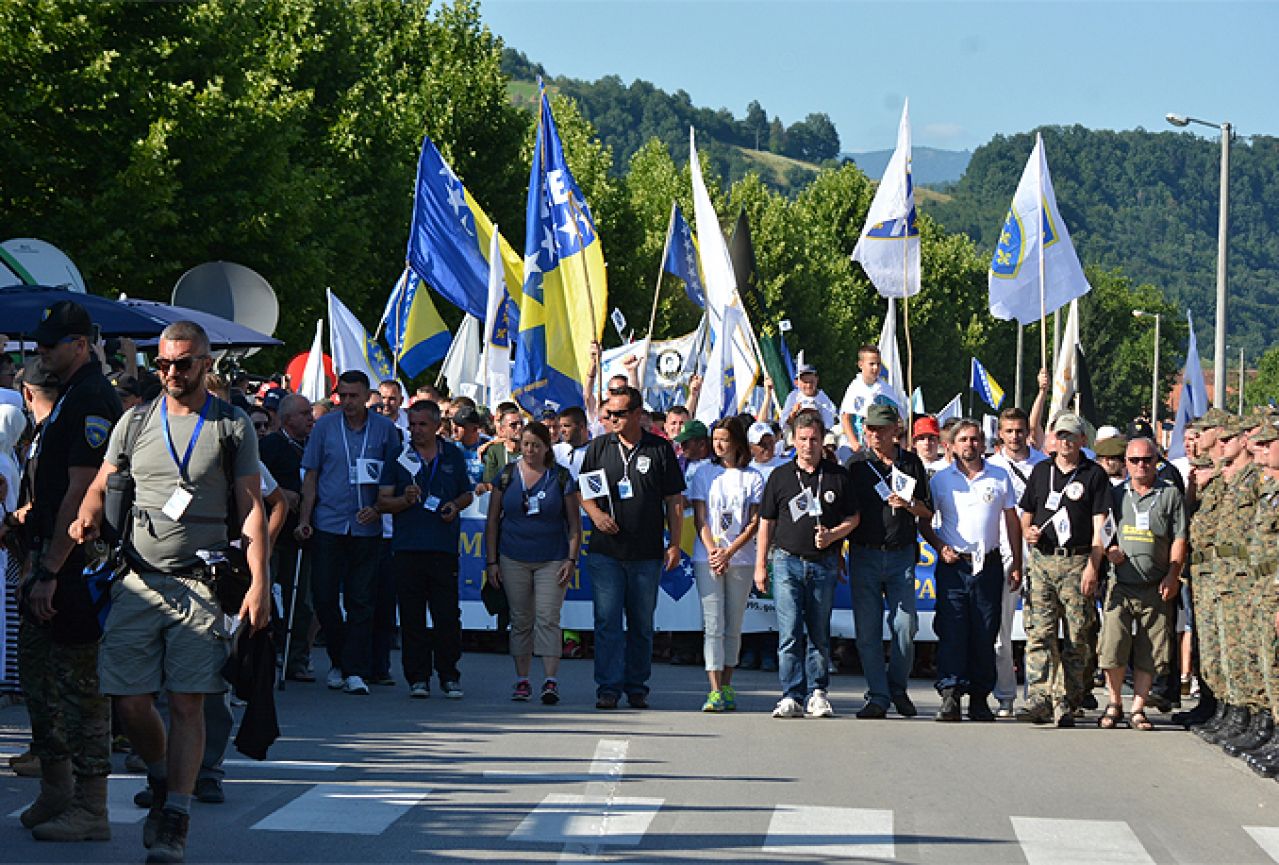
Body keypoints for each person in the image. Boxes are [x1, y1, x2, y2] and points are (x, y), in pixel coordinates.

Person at [72, 320, 271, 863]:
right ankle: (162, 780)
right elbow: (98, 484)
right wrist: (87, 517)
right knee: (131, 703)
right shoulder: (135, 422)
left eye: (184, 363)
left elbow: (252, 506)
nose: (172, 373)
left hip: (201, 585)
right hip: (136, 581)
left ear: (206, 363)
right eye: (163, 364)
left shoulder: (230, 426)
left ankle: (176, 817)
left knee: (188, 703)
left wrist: (259, 582)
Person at [14, 302, 122, 843]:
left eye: (51, 344)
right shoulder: (67, 399)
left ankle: (91, 804)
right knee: (39, 679)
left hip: (74, 566)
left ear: (80, 345)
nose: (42, 352)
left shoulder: (92, 398)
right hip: (44, 559)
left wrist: (52, 568)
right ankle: (56, 787)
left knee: (79, 688)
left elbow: (82, 492)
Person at [577, 386, 684, 710]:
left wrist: (675, 544)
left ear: (638, 414)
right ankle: (608, 687)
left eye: (620, 413)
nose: (613, 419)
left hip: (646, 553)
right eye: (609, 414)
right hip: (606, 552)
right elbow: (585, 491)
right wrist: (596, 515)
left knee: (641, 623)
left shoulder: (659, 449)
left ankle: (637, 685)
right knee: (607, 621)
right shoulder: (599, 447)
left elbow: (674, 501)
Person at [295, 370, 401, 695]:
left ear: (368, 396)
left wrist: (381, 508)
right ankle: (339, 659)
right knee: (325, 596)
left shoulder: (385, 430)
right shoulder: (325, 426)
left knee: (362, 599)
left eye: (355, 396)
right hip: (329, 522)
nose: (348, 402)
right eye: (343, 395)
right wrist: (304, 517)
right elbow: (311, 476)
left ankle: (354, 668)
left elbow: (395, 475)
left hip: (367, 526)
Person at [755, 410, 859, 719]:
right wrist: (761, 565)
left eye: (814, 439)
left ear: (822, 439)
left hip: (823, 563)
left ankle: (817, 692)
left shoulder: (837, 475)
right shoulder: (780, 476)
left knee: (818, 631)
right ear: (793, 441)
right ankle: (791, 694)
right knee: (789, 631)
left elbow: (853, 517)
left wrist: (833, 537)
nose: (808, 445)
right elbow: (766, 523)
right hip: (787, 561)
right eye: (803, 439)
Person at [920, 419, 1022, 721]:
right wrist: (940, 547)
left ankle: (980, 697)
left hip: (988, 564)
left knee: (984, 631)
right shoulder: (940, 480)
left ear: (985, 443)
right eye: (963, 439)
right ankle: (950, 695)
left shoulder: (999, 476)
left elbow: (1011, 520)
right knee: (952, 630)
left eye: (975, 439)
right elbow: (925, 521)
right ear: (951, 445)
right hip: (954, 565)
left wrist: (1015, 560)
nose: (970, 445)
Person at [1017, 411, 1111, 727]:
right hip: (1043, 561)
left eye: (1072, 436)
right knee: (1039, 632)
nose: (1066, 441)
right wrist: (1028, 532)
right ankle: (1040, 697)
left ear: (1083, 440)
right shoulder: (1042, 471)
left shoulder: (1093, 475)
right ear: (1053, 439)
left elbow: (1102, 527)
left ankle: (1069, 699)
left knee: (1077, 635)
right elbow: (1026, 513)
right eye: (1061, 435)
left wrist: (1093, 567)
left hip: (1077, 561)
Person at [376, 400, 473, 699]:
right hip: (408, 547)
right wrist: (404, 500)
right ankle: (418, 676)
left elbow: (466, 493)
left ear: (436, 426)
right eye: (412, 425)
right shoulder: (398, 456)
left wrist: (454, 506)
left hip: (442, 547)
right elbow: (382, 502)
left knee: (446, 615)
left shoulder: (452, 454)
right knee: (412, 615)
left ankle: (448, 674)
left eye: (422, 425)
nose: (416, 431)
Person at [844, 402, 933, 719]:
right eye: (869, 428)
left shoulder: (911, 464)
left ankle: (897, 687)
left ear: (896, 430)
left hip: (901, 555)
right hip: (865, 553)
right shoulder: (855, 466)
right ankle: (878, 696)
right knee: (867, 631)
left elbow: (927, 510)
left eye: (880, 428)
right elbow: (845, 513)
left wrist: (909, 504)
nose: (874, 434)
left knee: (905, 628)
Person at [484, 420, 581, 704]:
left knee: (548, 618)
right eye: (525, 444)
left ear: (546, 447)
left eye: (536, 445)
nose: (529, 450)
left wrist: (571, 559)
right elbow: (492, 521)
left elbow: (574, 524)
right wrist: (492, 562)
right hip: (513, 556)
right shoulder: (506, 475)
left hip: (552, 557)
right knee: (521, 619)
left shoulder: (560, 477)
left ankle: (550, 681)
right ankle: (522, 679)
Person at [1097, 437, 1187, 731]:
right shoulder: (1115, 494)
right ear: (1125, 462)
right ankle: (1114, 703)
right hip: (1120, 583)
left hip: (1155, 584)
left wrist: (1173, 575)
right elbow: (1103, 531)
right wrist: (1109, 551)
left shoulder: (1170, 494)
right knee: (1113, 646)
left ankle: (1137, 708)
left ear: (1156, 461)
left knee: (1151, 650)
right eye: (1134, 460)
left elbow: (1179, 537)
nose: (1141, 466)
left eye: (1147, 460)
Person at [689, 418, 763, 712]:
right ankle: (714, 688)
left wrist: (729, 552)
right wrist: (713, 551)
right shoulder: (703, 473)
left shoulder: (753, 476)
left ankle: (728, 683)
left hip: (741, 558)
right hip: (707, 557)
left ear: (737, 442)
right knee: (713, 624)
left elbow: (754, 522)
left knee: (733, 624)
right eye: (715, 439)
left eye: (724, 439)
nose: (719, 444)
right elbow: (700, 517)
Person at [986, 406, 1049, 717]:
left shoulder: (1044, 465)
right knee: (1002, 631)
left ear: (1028, 431)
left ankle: (1041, 695)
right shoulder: (991, 467)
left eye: (1019, 430)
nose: (1014, 436)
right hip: (1004, 554)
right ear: (1000, 433)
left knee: (1042, 629)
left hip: (1039, 554)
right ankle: (1006, 696)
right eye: (1008, 431)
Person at [258, 393, 314, 682]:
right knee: (266, 594)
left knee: (300, 600)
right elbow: (255, 480)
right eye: (304, 414)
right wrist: (280, 493)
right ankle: (265, 654)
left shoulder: (314, 447)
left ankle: (297, 659)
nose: (310, 419)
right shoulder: (269, 446)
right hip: (273, 533)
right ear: (288, 418)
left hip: (301, 535)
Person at [838, 346, 898, 450]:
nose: (875, 368)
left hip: (881, 441)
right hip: (859, 443)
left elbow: (895, 415)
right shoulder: (855, 388)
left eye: (878, 364)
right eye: (871, 364)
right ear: (861, 364)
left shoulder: (885, 389)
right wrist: (854, 443)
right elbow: (845, 418)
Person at [782, 364, 839, 431]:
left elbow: (830, 424)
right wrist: (793, 413)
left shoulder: (824, 399)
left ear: (817, 380)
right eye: (805, 382)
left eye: (811, 382)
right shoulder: (793, 396)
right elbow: (784, 426)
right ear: (797, 383)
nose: (809, 385)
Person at [553, 406, 590, 479]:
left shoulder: (595, 451)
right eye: (560, 426)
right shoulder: (555, 450)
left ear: (581, 426)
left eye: (566, 426)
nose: (562, 431)